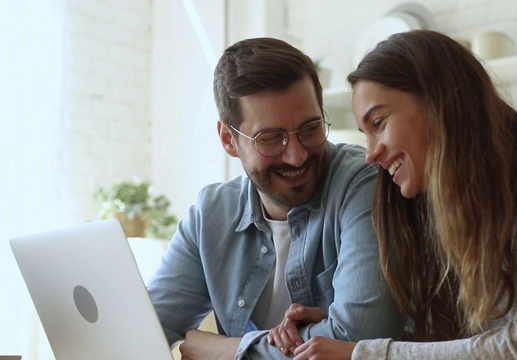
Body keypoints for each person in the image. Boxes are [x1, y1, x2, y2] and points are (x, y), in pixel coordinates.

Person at [274, 30, 517, 359]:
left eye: (379, 123)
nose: (370, 153)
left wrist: (361, 354)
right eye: (365, 134)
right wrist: (338, 327)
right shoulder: (454, 211)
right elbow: (460, 343)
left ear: (439, 102)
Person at [146, 37, 406, 359]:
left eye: (310, 129)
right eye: (271, 139)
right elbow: (148, 331)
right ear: (229, 139)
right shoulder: (211, 214)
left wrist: (226, 351)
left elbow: (357, 338)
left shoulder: (364, 184)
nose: (296, 156)